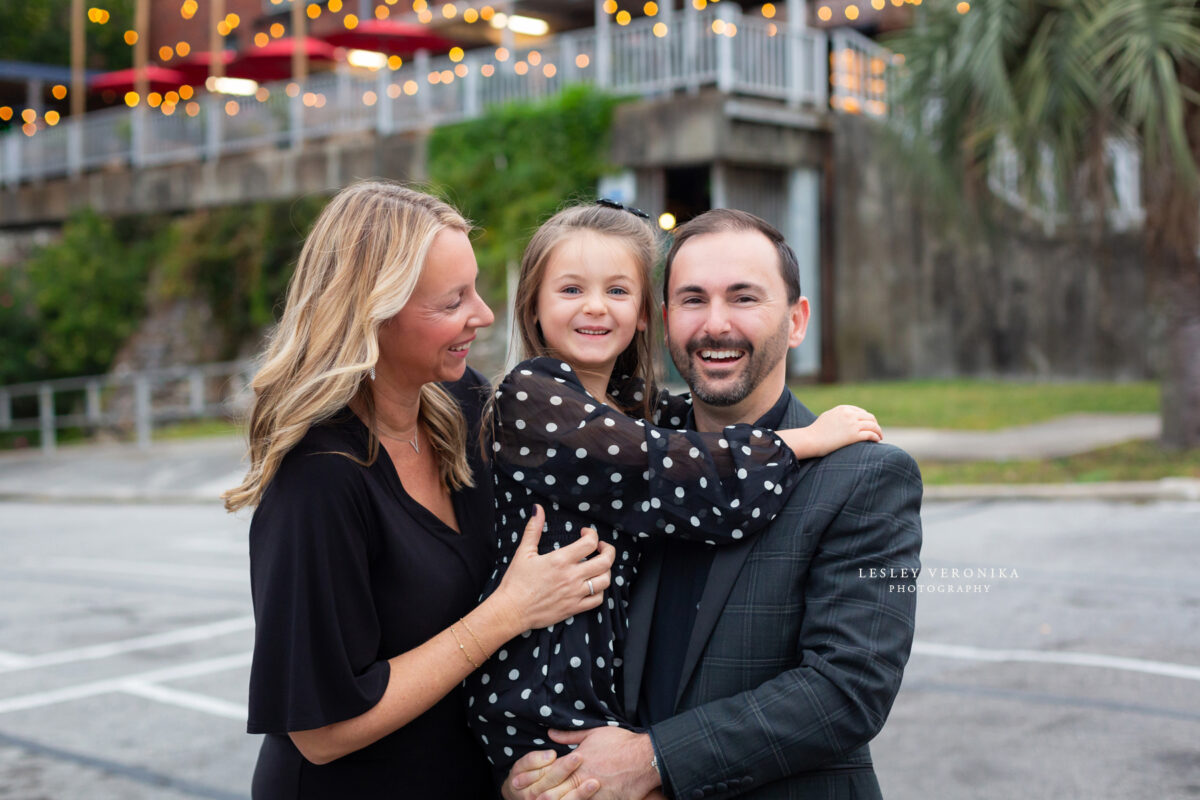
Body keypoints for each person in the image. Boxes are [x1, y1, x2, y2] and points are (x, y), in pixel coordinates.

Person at [506, 209, 923, 800]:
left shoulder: (864, 476)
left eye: (744, 298)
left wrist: (651, 760)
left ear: (796, 320)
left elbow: (848, 690)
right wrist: (534, 770)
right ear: (665, 319)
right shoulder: (618, 453)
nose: (716, 325)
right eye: (693, 300)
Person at [221, 181, 616, 800]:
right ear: (373, 313)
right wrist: (507, 614)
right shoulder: (319, 479)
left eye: (476, 289)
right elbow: (320, 733)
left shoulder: (464, 404)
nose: (483, 315)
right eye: (453, 300)